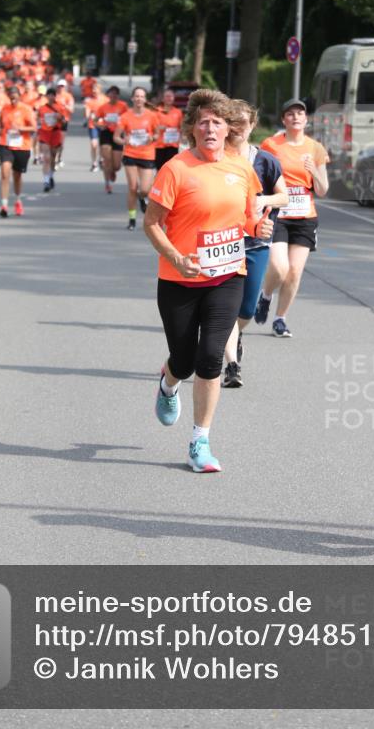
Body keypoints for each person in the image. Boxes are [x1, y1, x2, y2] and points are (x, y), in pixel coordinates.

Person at [144, 89, 273, 472]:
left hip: (227, 276)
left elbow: (249, 216)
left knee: (211, 356)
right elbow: (151, 223)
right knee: (183, 361)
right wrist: (176, 258)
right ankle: (169, 383)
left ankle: (200, 441)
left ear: (228, 129)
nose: (210, 127)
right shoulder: (176, 169)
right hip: (178, 279)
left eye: (217, 121)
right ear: (192, 130)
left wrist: (258, 225)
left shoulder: (241, 168)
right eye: (203, 121)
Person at [222, 101, 290, 387]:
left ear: (252, 125)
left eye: (243, 122)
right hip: (222, 244)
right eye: (232, 122)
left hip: (256, 243)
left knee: (246, 310)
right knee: (224, 308)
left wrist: (265, 199)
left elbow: (284, 197)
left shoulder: (265, 161)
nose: (238, 127)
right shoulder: (216, 158)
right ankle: (231, 367)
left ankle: (237, 334)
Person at [255, 98, 329, 337]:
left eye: (300, 113)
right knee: (279, 267)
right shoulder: (271, 145)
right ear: (283, 120)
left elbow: (323, 189)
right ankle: (265, 296)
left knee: (295, 271)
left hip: (305, 216)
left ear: (306, 120)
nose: (296, 117)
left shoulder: (315, 148)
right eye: (290, 114)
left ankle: (280, 319)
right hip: (279, 213)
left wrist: (314, 170)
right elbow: (260, 177)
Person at [114, 87, 160, 229]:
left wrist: (152, 137)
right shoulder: (125, 116)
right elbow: (116, 137)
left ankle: (142, 198)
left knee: (145, 189)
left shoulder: (152, 116)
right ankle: (132, 219)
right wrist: (124, 141)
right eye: (137, 96)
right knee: (133, 187)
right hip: (130, 154)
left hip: (147, 154)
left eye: (142, 96)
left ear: (145, 99)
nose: (139, 99)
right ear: (133, 99)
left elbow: (158, 135)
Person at [0, 84, 37, 217]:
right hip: (5, 144)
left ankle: (18, 201)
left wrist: (20, 129)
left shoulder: (26, 109)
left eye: (15, 98)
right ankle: (4, 205)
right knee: (4, 172)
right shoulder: (5, 109)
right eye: (11, 98)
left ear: (19, 97)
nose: (13, 100)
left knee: (17, 176)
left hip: (21, 146)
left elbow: (34, 128)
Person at [95, 86, 128, 193]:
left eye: (115, 94)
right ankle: (107, 184)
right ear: (108, 95)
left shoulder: (123, 106)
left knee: (117, 165)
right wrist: (100, 126)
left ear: (118, 96)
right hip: (106, 133)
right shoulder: (103, 107)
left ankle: (113, 171)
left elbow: (128, 118)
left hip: (118, 134)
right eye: (111, 94)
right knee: (107, 160)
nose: (113, 96)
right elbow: (95, 120)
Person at [37, 87, 67, 192]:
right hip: (45, 133)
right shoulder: (42, 108)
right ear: (46, 96)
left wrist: (60, 118)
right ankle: (46, 181)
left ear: (55, 96)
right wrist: (38, 129)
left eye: (52, 95)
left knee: (53, 157)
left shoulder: (60, 107)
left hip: (55, 133)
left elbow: (64, 122)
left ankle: (50, 176)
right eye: (48, 95)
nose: (50, 97)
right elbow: (37, 120)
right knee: (46, 157)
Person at [154, 88, 183, 170]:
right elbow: (152, 127)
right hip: (159, 145)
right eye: (167, 96)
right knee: (160, 169)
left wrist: (181, 135)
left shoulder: (178, 112)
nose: (169, 98)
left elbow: (181, 127)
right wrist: (159, 128)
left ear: (173, 98)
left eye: (171, 96)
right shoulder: (157, 111)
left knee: (171, 168)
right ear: (163, 98)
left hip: (173, 145)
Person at [83, 81, 107, 172]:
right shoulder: (89, 101)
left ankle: (101, 158)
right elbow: (87, 113)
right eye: (93, 89)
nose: (93, 91)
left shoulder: (105, 100)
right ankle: (94, 163)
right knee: (94, 144)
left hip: (103, 125)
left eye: (95, 89)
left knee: (102, 145)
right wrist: (89, 115)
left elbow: (109, 111)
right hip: (93, 125)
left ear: (100, 90)